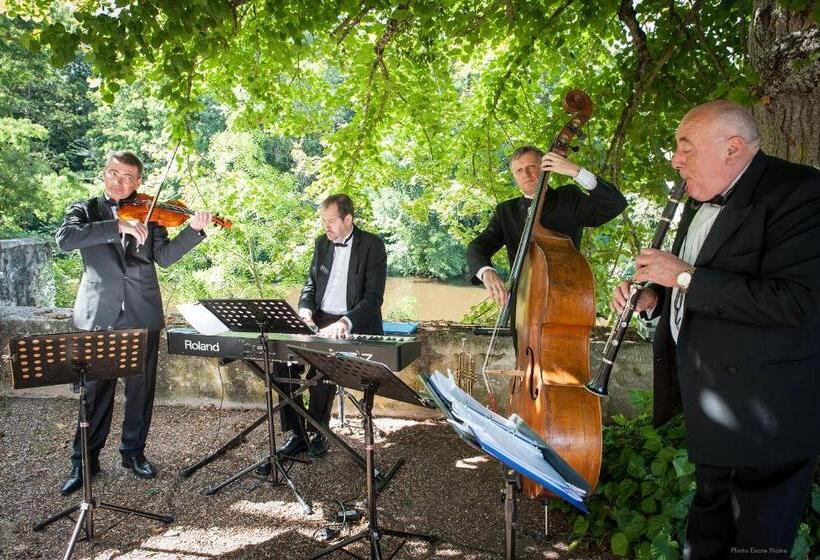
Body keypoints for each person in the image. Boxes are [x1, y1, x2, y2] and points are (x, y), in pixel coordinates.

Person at [612, 100, 820, 559]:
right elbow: (698, 287)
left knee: (756, 549)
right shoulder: (699, 198)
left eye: (685, 147)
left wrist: (683, 276)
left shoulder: (802, 192)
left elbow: (799, 303)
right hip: (713, 412)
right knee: (704, 541)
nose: (675, 160)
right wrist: (653, 300)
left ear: (732, 148)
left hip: (769, 421)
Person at [55, 151, 211, 495]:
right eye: (114, 174)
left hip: (142, 314)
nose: (120, 182)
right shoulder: (85, 210)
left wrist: (194, 231)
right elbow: (65, 239)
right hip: (99, 316)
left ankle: (133, 453)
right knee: (95, 394)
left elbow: (165, 258)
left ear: (138, 182)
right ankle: (85, 461)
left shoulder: (151, 213)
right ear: (104, 174)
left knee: (141, 391)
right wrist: (118, 225)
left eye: (128, 177)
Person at [276, 194, 387, 459]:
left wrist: (345, 322)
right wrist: (304, 310)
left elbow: (373, 299)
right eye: (323, 221)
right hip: (319, 318)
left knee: (322, 366)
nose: (326, 227)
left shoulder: (372, 246)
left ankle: (318, 430)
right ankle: (297, 433)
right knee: (281, 359)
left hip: (352, 321)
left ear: (348, 219)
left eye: (331, 221)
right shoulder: (321, 244)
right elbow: (311, 285)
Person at [467, 146, 627, 305]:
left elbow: (615, 204)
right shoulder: (506, 211)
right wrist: (486, 272)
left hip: (565, 300)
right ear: (515, 177)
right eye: (519, 171)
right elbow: (478, 246)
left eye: (531, 167)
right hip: (522, 305)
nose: (526, 175)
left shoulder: (568, 199)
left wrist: (576, 171)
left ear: (546, 168)